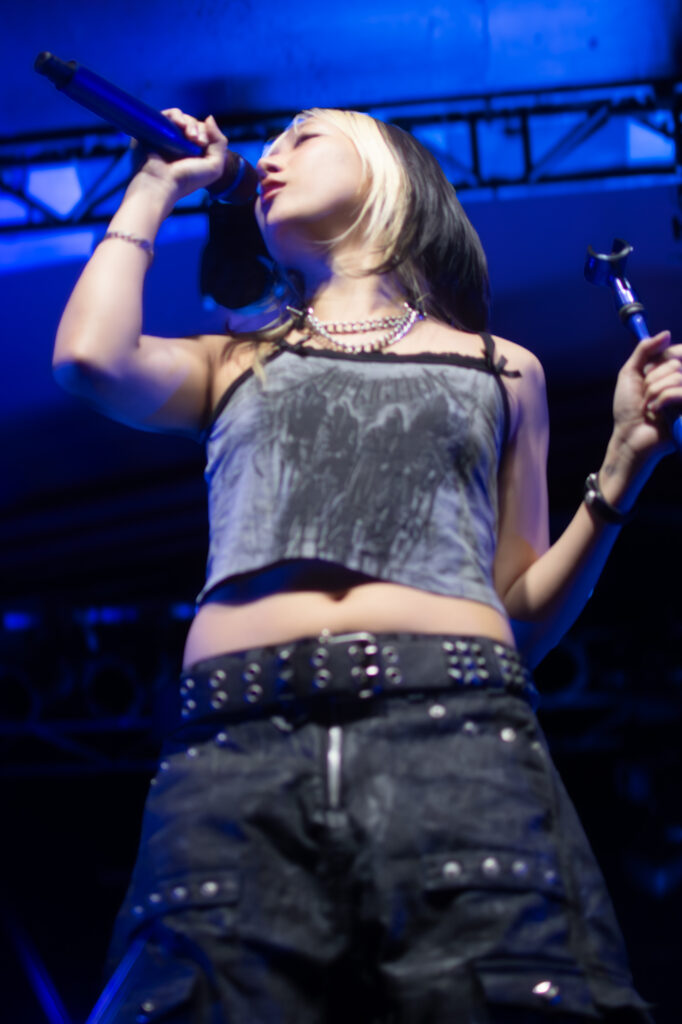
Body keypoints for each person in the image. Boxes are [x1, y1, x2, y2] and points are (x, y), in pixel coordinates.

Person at [52, 105, 679, 1023]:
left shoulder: (503, 369)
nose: (271, 155)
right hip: (240, 733)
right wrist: (154, 185)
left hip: (456, 720)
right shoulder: (237, 359)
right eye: (271, 145)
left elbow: (519, 615)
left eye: (302, 135)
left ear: (390, 176)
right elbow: (89, 357)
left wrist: (623, 464)